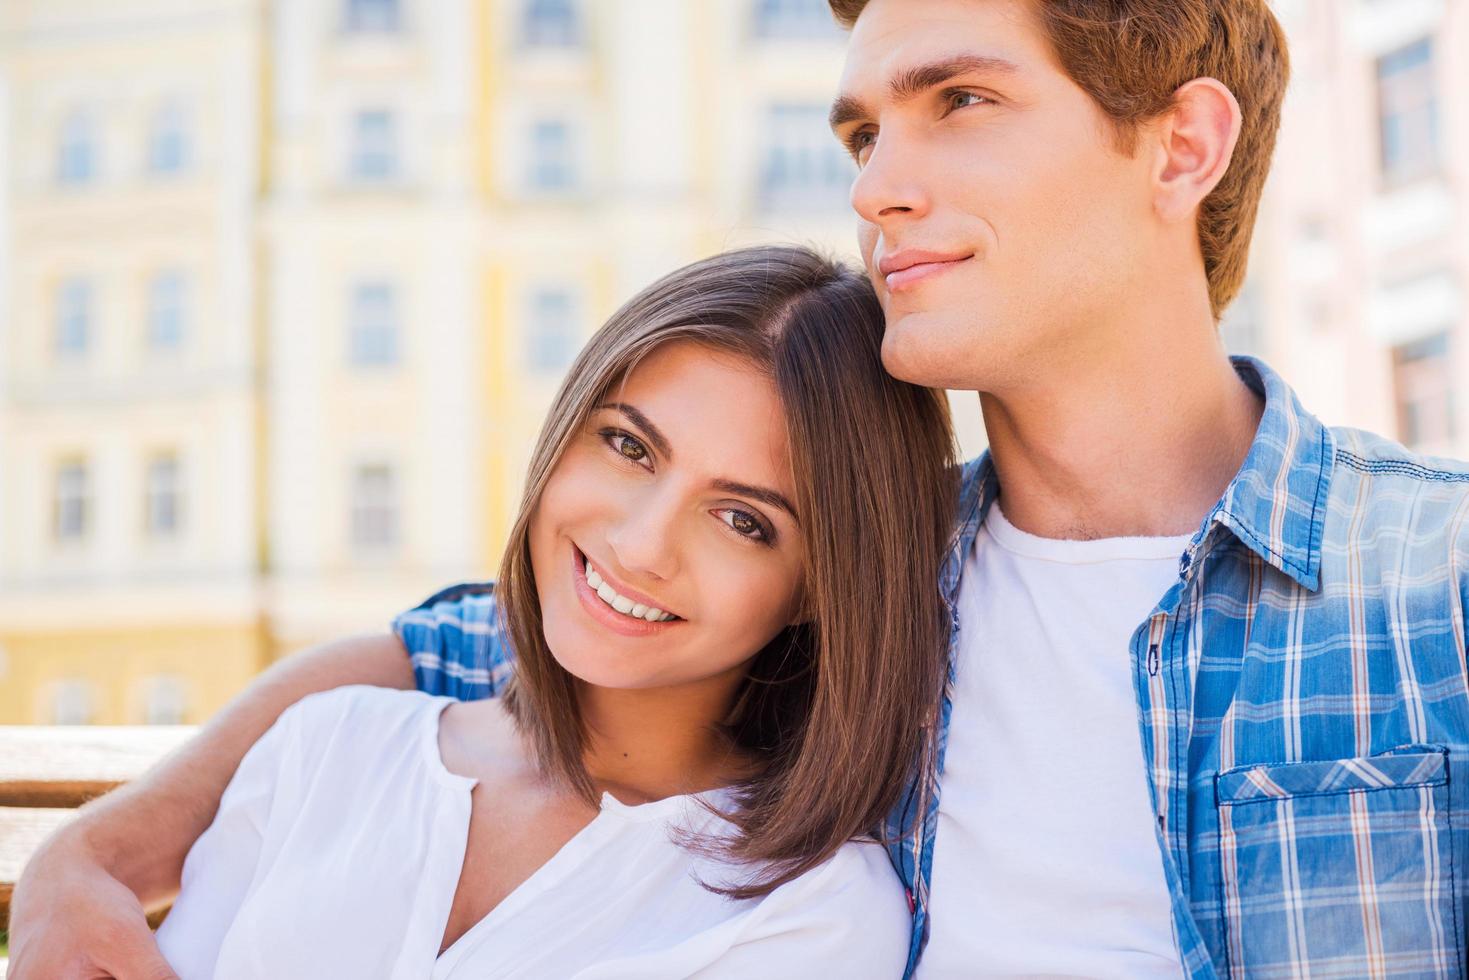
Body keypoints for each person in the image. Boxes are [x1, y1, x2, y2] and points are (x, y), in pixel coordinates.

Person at [12, 1, 1469, 978]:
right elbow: (476, 641)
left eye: (958, 101)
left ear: (1183, 146)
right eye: (862, 133)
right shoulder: (863, 602)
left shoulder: (1434, 581)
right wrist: (106, 845)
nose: (878, 184)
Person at [146, 244, 954, 977]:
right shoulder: (324, 746)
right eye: (629, 447)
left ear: (819, 587)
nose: (641, 546)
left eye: (743, 520)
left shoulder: (809, 914)